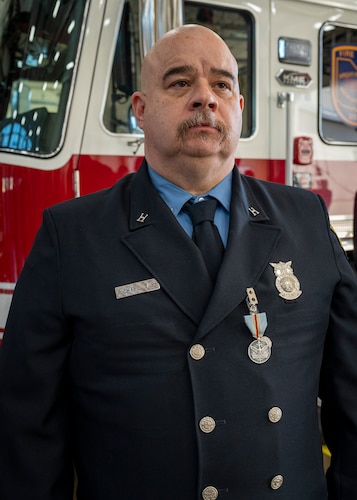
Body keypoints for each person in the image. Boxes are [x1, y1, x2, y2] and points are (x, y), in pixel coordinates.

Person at [0, 24, 357, 500]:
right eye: (179, 82)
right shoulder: (71, 236)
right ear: (141, 112)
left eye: (222, 84)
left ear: (239, 109)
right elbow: (28, 430)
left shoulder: (306, 219)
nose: (204, 98)